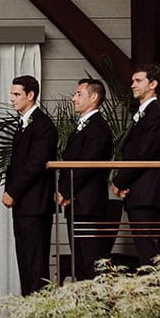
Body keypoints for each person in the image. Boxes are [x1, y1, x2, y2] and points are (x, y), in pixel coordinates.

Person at [112, 64, 160, 267]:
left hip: (147, 191)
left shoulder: (157, 114)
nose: (132, 85)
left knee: (146, 244)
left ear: (153, 84)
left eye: (138, 81)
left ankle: (157, 286)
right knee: (143, 243)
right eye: (132, 81)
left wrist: (119, 181)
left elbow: (144, 153)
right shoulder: (144, 114)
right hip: (138, 190)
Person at [2, 75, 58, 295]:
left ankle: (38, 309)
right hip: (24, 204)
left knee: (35, 261)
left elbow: (35, 165)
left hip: (35, 203)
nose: (12, 99)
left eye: (17, 94)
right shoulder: (23, 124)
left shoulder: (43, 126)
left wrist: (13, 192)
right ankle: (28, 305)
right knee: (24, 259)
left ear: (31, 95)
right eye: (12, 94)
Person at [57, 77, 115, 281]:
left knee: (90, 261)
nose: (74, 98)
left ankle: (96, 308)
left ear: (94, 97)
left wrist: (64, 190)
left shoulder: (98, 128)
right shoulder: (82, 126)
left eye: (79, 94)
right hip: (77, 203)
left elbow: (86, 164)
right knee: (79, 262)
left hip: (89, 204)